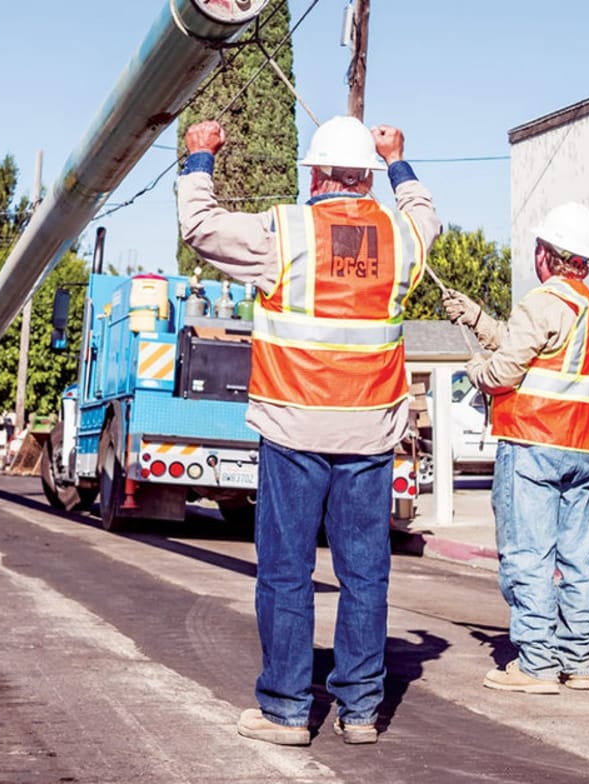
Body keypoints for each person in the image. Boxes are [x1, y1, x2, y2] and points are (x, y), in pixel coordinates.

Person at [178, 116, 441, 745]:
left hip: (294, 426)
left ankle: (287, 710)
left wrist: (198, 160)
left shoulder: (286, 232)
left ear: (318, 174)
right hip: (370, 432)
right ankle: (360, 713)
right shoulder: (404, 239)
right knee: (365, 575)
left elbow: (201, 228)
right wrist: (400, 161)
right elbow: (425, 213)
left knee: (288, 570)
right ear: (366, 177)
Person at [442, 202, 589, 695]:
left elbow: (503, 371)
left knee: (528, 556)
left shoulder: (543, 302)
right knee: (577, 560)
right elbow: (530, 346)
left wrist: (475, 370)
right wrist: (477, 318)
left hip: (535, 443)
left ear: (547, 254)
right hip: (586, 452)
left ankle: (537, 665)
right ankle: (579, 660)